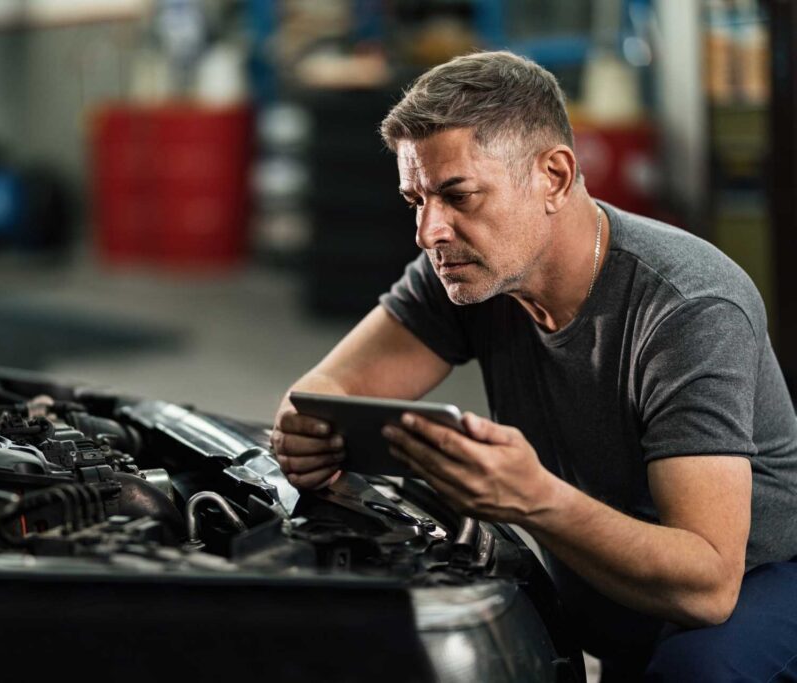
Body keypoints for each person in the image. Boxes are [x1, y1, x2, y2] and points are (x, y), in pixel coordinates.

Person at [271, 51, 797, 681]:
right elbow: (323, 394)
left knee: (696, 672)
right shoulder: (469, 270)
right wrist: (306, 434)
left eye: (458, 195)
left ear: (552, 175)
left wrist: (534, 498)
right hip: (607, 581)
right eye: (417, 200)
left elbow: (708, 586)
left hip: (755, 588)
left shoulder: (688, 307)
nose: (429, 231)